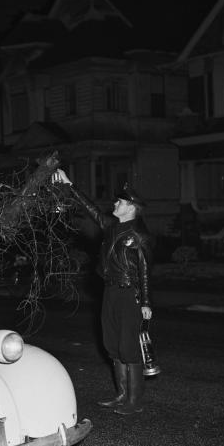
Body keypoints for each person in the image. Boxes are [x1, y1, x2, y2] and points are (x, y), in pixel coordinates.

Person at [51, 169, 153, 415]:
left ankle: (134, 401)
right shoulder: (111, 227)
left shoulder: (139, 234)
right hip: (110, 293)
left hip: (130, 295)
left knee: (129, 348)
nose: (115, 204)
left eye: (120, 201)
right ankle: (121, 395)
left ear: (131, 207)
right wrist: (69, 185)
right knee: (112, 345)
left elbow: (145, 270)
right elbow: (91, 209)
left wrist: (146, 302)